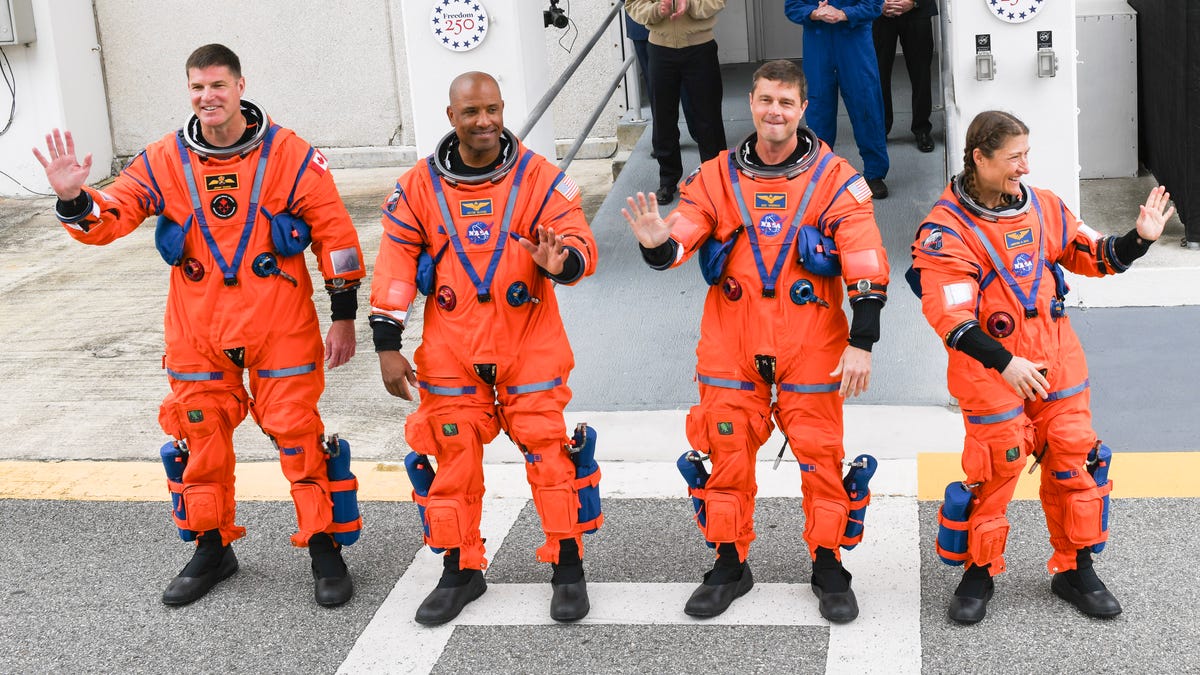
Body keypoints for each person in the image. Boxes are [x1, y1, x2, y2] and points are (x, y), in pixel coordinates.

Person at [32, 43, 364, 607]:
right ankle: (212, 547)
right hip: (197, 327)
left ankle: (324, 544)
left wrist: (345, 318)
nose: (207, 96)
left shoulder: (291, 154)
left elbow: (336, 237)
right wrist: (74, 199)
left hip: (278, 320)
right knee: (199, 433)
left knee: (294, 429)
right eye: (196, 87)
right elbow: (112, 215)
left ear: (239, 86)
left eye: (216, 85)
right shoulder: (164, 158)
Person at [622, 59, 890, 621]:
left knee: (820, 455)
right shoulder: (717, 176)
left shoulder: (837, 178)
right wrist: (655, 244)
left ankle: (827, 562)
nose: (775, 111)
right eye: (766, 100)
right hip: (731, 341)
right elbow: (682, 241)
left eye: (786, 103)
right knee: (726, 455)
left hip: (812, 339)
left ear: (803, 109)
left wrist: (861, 342)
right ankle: (729, 564)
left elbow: (866, 261)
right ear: (752, 103)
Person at [909, 110, 1174, 624]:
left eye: (1027, 155)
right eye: (1014, 158)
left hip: (1057, 365)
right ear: (979, 158)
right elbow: (951, 318)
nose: (1024, 168)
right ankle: (978, 573)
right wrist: (1006, 363)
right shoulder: (945, 231)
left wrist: (1138, 240)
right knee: (995, 468)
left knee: (1076, 460)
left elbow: (1095, 255)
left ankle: (1074, 569)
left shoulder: (1046, 208)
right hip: (992, 374)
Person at [370, 71, 600, 625]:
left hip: (529, 340)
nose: (485, 121)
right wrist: (387, 344)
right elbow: (396, 268)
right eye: (472, 112)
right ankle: (461, 570)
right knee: (451, 457)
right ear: (452, 117)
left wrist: (560, 261)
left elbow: (581, 245)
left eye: (493, 109)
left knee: (549, 452)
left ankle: (567, 566)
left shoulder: (541, 178)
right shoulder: (418, 187)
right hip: (452, 343)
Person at [624, 0, 729, 206]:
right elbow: (633, 4)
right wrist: (656, 10)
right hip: (659, 48)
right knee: (663, 117)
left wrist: (689, 4)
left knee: (709, 117)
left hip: (701, 47)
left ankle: (716, 178)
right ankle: (668, 180)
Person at [785, 0, 891, 199]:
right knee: (819, 110)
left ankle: (874, 174)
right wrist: (814, 13)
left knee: (866, 106)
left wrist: (843, 14)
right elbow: (791, 7)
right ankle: (821, 172)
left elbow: (874, 5)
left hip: (855, 42)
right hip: (818, 44)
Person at [624, 8, 699, 142]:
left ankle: (699, 133)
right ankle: (665, 138)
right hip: (641, 25)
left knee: (686, 79)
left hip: (676, 22)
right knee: (656, 88)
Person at [873, 0, 937, 153]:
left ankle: (922, 129)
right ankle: (880, 129)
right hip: (880, 15)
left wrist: (914, 2)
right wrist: (877, 4)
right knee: (877, 74)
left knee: (921, 74)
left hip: (917, 11)